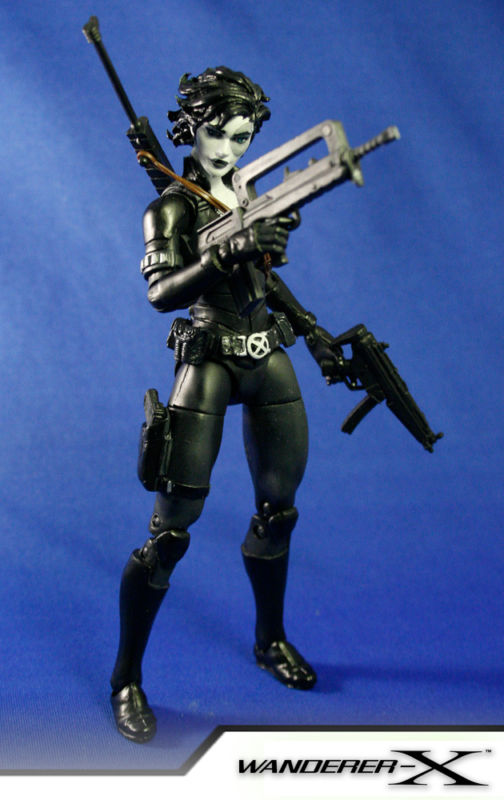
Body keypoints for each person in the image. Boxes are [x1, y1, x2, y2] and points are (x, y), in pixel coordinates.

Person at [110, 66, 343, 742]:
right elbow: (162, 293)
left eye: (241, 137)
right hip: (207, 358)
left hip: (267, 354)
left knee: (279, 510)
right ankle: (126, 677)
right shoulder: (171, 208)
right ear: (190, 129)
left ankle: (270, 639)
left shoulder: (248, 192)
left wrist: (314, 333)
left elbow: (263, 282)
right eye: (217, 134)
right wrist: (223, 253)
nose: (228, 149)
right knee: (170, 532)